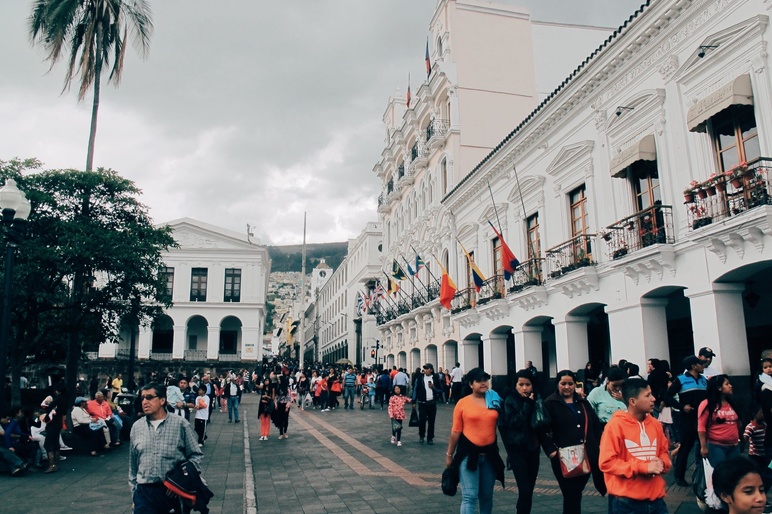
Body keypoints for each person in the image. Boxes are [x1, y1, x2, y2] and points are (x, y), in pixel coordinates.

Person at [129, 383, 204, 513]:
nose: (144, 402)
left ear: (162, 400)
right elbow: (133, 464)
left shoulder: (180, 424)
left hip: (172, 492)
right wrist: (134, 494)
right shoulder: (137, 427)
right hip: (144, 493)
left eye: (149, 397)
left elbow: (196, 455)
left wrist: (181, 482)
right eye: (143, 398)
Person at [599, 378, 670, 514]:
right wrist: (642, 467)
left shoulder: (655, 424)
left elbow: (663, 451)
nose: (653, 399)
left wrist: (662, 462)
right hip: (627, 502)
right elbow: (606, 462)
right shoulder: (615, 426)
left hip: (657, 500)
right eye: (647, 395)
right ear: (633, 401)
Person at [540, 369, 604, 514]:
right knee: (570, 493)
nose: (567, 387)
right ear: (557, 384)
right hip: (563, 457)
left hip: (585, 455)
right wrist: (551, 451)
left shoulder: (582, 402)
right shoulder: (550, 403)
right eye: (563, 383)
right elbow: (543, 430)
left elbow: (594, 424)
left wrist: (598, 445)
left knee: (576, 493)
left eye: (570, 383)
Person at [445, 368, 505, 514]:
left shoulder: (494, 400)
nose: (483, 383)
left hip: (490, 455)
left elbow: (506, 424)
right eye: (479, 381)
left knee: (486, 496)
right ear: (471, 384)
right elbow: (456, 431)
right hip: (468, 455)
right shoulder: (463, 403)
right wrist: (449, 454)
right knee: (469, 496)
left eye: (485, 380)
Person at [498, 370, 542, 514]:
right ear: (515, 385)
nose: (525, 388)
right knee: (524, 490)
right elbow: (514, 422)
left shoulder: (537, 399)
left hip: (533, 449)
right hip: (517, 450)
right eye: (521, 384)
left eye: (528, 384)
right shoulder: (510, 400)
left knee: (530, 489)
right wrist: (527, 404)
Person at [664, 355, 707, 487]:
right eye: (700, 364)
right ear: (694, 366)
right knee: (685, 448)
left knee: (704, 447)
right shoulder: (681, 379)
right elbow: (667, 396)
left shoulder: (704, 380)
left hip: (703, 419)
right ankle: (679, 476)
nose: (703, 366)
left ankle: (704, 475)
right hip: (688, 419)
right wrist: (682, 407)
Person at [698, 374, 741, 468]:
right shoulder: (707, 404)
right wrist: (703, 446)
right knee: (721, 473)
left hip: (734, 446)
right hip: (716, 446)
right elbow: (701, 427)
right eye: (727, 384)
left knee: (734, 473)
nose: (730, 386)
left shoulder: (732, 402)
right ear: (719, 388)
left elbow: (738, 422)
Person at [412, 363, 443, 444]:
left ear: (431, 369)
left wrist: (433, 387)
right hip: (422, 403)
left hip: (432, 403)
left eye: (427, 368)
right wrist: (414, 401)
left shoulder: (435, 378)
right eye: (425, 369)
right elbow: (415, 389)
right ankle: (421, 436)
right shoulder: (420, 378)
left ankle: (430, 438)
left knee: (431, 421)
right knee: (422, 420)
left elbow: (440, 390)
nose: (425, 370)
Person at [274, 373, 292, 439]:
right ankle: (281, 433)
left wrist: (287, 406)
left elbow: (289, 398)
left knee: (285, 419)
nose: (279, 381)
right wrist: (275, 404)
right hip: (279, 404)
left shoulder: (287, 389)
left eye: (280, 379)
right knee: (280, 419)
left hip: (285, 404)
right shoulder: (278, 388)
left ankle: (285, 432)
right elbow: (276, 396)